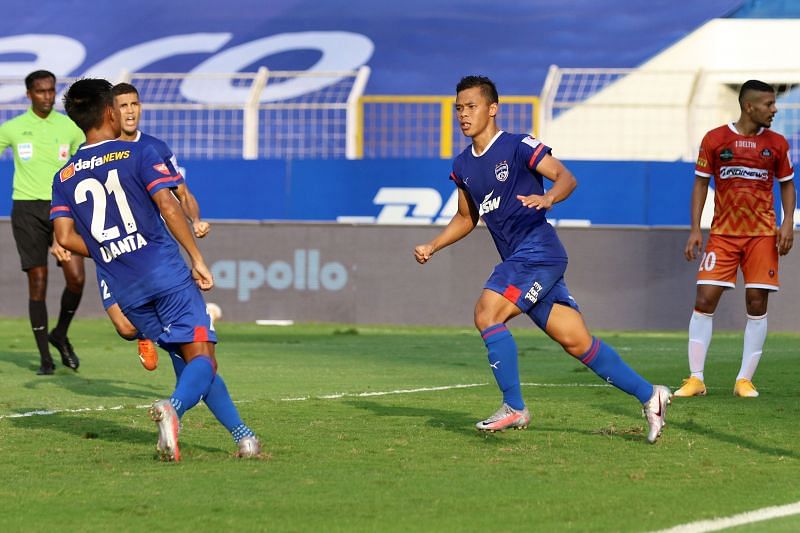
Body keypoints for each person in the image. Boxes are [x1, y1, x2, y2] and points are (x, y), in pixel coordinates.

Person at [413, 75, 670, 443]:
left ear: (492, 109)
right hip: (529, 261)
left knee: (487, 313)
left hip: (537, 251)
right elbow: (467, 218)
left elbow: (566, 177)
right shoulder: (464, 165)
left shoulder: (518, 146)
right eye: (458, 109)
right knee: (577, 342)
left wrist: (549, 198)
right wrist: (433, 245)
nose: (463, 115)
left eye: (471, 107)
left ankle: (514, 407)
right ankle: (651, 395)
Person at [51, 78, 260, 461]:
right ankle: (172, 410)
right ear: (110, 112)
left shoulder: (63, 176)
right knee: (204, 358)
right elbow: (168, 205)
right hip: (164, 273)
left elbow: (64, 237)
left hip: (126, 288)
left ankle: (246, 439)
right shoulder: (138, 153)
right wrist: (196, 257)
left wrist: (107, 249)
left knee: (189, 360)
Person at [674, 80, 795, 399]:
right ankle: (696, 378)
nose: (774, 109)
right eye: (768, 104)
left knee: (757, 303)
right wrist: (695, 229)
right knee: (705, 298)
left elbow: (787, 184)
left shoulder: (777, 144)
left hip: (762, 236)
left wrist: (787, 224)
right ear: (748, 106)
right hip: (723, 235)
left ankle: (744, 380)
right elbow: (701, 184)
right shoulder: (715, 139)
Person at [102, 82, 210, 372]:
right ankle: (144, 335)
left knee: (178, 327)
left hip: (151, 250)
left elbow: (181, 193)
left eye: (134, 104)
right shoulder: (100, 150)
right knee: (125, 327)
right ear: (111, 111)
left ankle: (186, 388)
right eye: (123, 105)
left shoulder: (155, 148)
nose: (129, 111)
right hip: (116, 250)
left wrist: (195, 219)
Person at [0, 70, 85, 375]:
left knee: (76, 278)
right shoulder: (12, 128)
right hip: (26, 210)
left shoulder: (71, 128)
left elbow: (83, 168)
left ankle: (60, 333)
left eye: (51, 91)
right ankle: (45, 360)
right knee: (38, 282)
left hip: (63, 208)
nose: (47, 96)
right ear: (29, 94)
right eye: (40, 91)